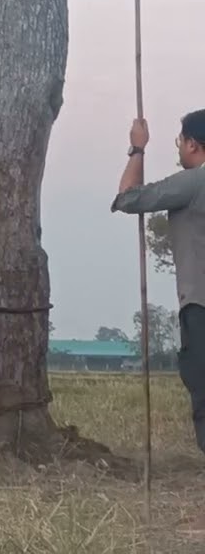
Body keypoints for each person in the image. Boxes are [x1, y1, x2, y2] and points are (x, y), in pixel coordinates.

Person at [110, 111, 205, 459]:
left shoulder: (194, 181)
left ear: (193, 144)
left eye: (180, 141)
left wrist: (137, 149)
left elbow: (128, 199)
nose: (180, 148)